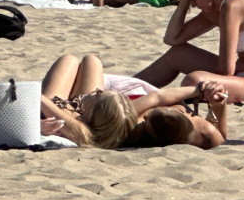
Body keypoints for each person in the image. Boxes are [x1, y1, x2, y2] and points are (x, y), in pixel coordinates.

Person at [39, 54, 226, 149]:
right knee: (91, 60)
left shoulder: (125, 123)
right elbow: (157, 97)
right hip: (92, 110)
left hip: (71, 110)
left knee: (70, 60)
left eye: (183, 110)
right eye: (185, 110)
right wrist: (206, 95)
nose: (186, 110)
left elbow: (156, 98)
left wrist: (40, 112)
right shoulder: (202, 129)